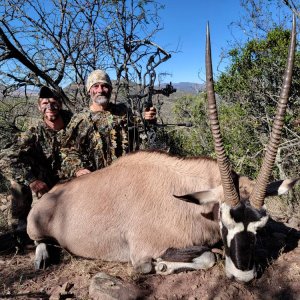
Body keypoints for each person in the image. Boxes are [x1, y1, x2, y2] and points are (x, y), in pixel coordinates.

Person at [60, 69, 156, 178]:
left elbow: (142, 131)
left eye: (104, 86)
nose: (100, 90)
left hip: (124, 177)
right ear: (89, 90)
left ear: (110, 89)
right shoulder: (80, 119)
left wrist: (148, 119)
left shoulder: (123, 112)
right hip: (94, 182)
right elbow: (67, 150)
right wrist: (78, 169)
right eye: (95, 86)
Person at [5, 86, 73, 231]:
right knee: (18, 182)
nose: (50, 107)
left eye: (54, 102)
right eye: (44, 103)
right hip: (46, 179)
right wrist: (32, 180)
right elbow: (6, 157)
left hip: (72, 176)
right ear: (38, 107)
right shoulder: (34, 131)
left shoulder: (75, 123)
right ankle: (20, 227)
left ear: (60, 104)